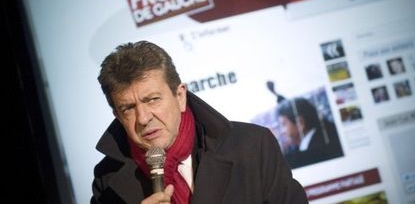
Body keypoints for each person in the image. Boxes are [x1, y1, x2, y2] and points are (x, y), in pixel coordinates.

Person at [91, 41, 308, 204]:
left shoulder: (253, 146)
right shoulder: (107, 181)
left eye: (153, 99)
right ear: (118, 116)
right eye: (128, 108)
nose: (144, 118)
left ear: (180, 96)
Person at [276, 97, 343, 168]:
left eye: (283, 124)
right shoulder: (323, 138)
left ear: (300, 123)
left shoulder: (318, 151)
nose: (282, 132)